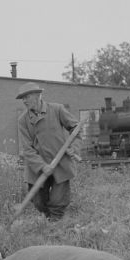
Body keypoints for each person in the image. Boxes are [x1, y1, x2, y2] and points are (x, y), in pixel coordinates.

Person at [16, 82, 82, 221]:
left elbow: (76, 128)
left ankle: (55, 224)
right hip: (37, 167)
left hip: (60, 163)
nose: (24, 101)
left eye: (27, 97)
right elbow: (27, 149)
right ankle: (49, 219)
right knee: (38, 201)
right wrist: (42, 166)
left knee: (58, 201)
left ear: (38, 95)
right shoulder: (23, 120)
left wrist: (73, 147)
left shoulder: (57, 109)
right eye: (22, 98)